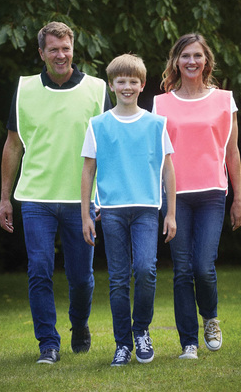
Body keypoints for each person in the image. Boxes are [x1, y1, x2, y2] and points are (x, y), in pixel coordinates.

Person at [0, 21, 112, 365]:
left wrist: (103, 195)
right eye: (53, 49)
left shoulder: (97, 88)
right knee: (39, 269)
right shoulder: (25, 89)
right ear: (41, 53)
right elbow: (13, 144)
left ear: (73, 49)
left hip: (82, 199)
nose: (60, 55)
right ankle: (48, 342)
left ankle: (79, 325)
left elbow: (107, 146)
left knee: (81, 278)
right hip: (36, 197)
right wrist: (5, 196)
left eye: (66, 48)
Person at [153, 33, 241, 360]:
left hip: (212, 194)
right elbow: (155, 156)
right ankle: (188, 343)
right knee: (181, 270)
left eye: (197, 55)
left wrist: (239, 198)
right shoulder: (160, 104)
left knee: (203, 266)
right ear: (175, 62)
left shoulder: (224, 100)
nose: (191, 61)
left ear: (206, 61)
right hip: (174, 198)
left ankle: (211, 318)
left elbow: (231, 152)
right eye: (185, 56)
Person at [81, 54, 177, 366]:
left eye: (133, 81)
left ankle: (141, 331)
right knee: (120, 278)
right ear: (111, 85)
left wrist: (171, 212)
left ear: (142, 84)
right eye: (120, 81)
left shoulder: (156, 123)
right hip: (111, 212)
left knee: (146, 271)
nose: (127, 86)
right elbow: (87, 172)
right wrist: (85, 214)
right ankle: (122, 343)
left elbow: (168, 170)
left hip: (147, 210)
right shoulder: (98, 125)